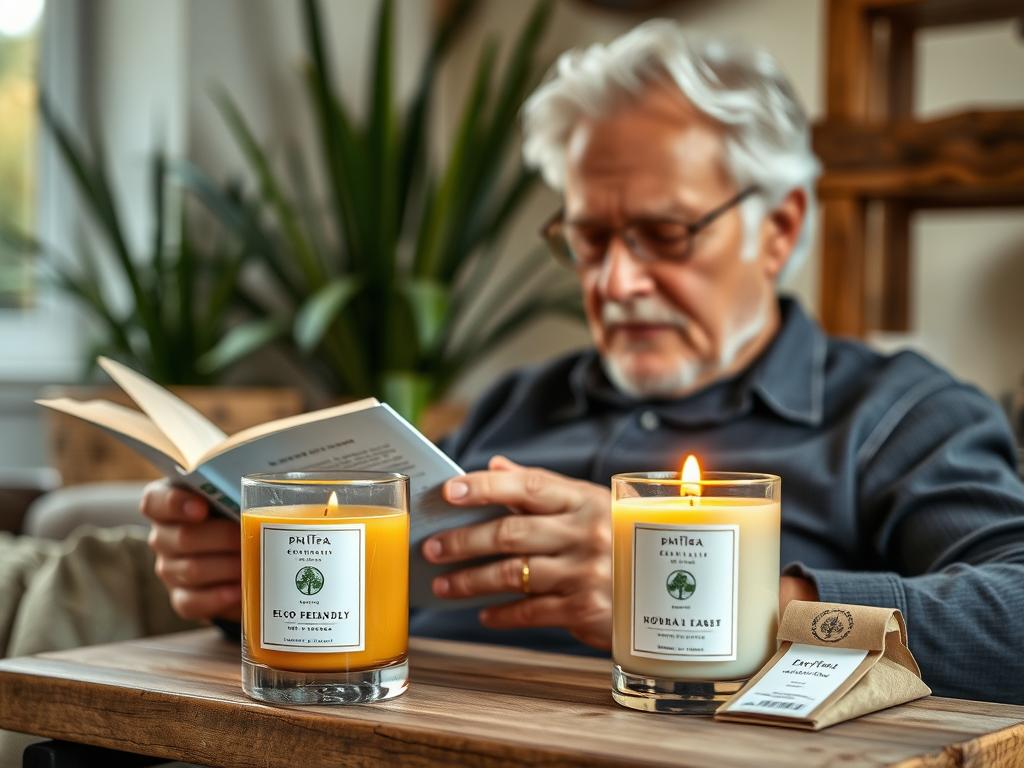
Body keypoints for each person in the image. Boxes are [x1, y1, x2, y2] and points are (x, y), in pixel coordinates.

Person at [140, 21, 1024, 702]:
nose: (618, 279)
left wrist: (725, 598)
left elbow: (1014, 621)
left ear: (779, 228)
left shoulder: (900, 416)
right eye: (590, 238)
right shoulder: (517, 406)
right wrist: (245, 582)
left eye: (665, 234)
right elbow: (385, 604)